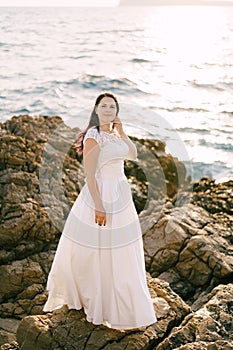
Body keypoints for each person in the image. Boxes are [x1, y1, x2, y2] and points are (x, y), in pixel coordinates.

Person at [43, 91, 157, 330]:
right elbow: (89, 174)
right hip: (101, 195)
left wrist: (122, 131)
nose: (108, 110)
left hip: (121, 193)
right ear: (95, 110)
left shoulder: (114, 134)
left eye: (112, 107)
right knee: (98, 248)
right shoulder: (93, 136)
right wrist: (99, 204)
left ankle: (120, 298)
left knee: (122, 248)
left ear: (117, 112)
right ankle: (97, 299)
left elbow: (133, 155)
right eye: (104, 106)